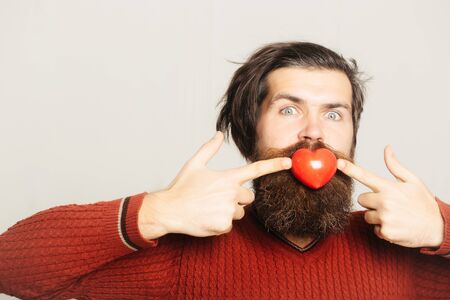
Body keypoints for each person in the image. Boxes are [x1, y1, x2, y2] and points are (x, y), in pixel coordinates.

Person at [0, 42, 449, 299]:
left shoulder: (399, 255)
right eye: (290, 109)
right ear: (249, 129)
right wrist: (156, 212)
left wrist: (441, 228)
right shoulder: (185, 256)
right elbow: (10, 268)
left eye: (335, 114)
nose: (314, 133)